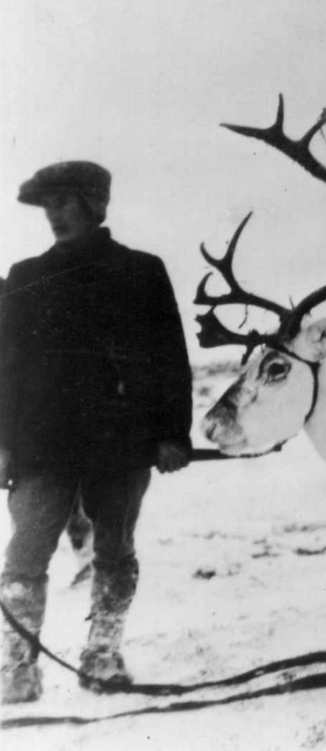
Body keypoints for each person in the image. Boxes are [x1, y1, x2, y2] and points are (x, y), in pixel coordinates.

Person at [0, 161, 193, 704]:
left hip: (121, 442)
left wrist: (173, 433)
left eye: (64, 202)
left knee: (115, 550)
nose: (54, 215)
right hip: (42, 445)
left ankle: (102, 656)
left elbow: (169, 361)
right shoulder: (25, 276)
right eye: (48, 205)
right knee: (24, 556)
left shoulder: (141, 272)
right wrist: (3, 443)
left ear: (94, 204)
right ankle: (17, 667)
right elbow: (5, 367)